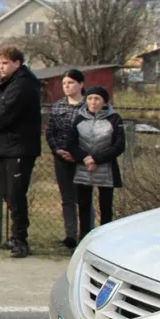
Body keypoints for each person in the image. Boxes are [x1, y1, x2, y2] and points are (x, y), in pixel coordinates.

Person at [0, 46, 42, 259]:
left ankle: (21, 239)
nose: (0, 68)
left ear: (17, 64)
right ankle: (15, 235)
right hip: (4, 147)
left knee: (16, 194)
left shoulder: (23, 85)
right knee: (7, 193)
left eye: (5, 63)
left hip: (18, 147)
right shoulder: (8, 85)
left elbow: (8, 112)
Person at [69, 86, 125, 238]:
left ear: (105, 101)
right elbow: (71, 143)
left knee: (106, 207)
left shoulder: (114, 119)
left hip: (106, 169)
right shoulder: (79, 118)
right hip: (83, 168)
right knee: (84, 206)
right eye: (90, 98)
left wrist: (96, 159)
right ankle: (84, 238)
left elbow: (119, 145)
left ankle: (105, 239)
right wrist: (85, 158)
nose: (93, 102)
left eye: (97, 99)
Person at [46, 69, 89, 249]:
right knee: (68, 198)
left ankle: (86, 235)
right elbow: (50, 132)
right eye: (64, 83)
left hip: (84, 159)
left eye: (70, 83)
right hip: (62, 158)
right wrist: (58, 150)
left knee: (84, 199)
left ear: (80, 84)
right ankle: (70, 236)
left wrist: (80, 154)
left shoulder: (90, 105)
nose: (67, 86)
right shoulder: (58, 107)